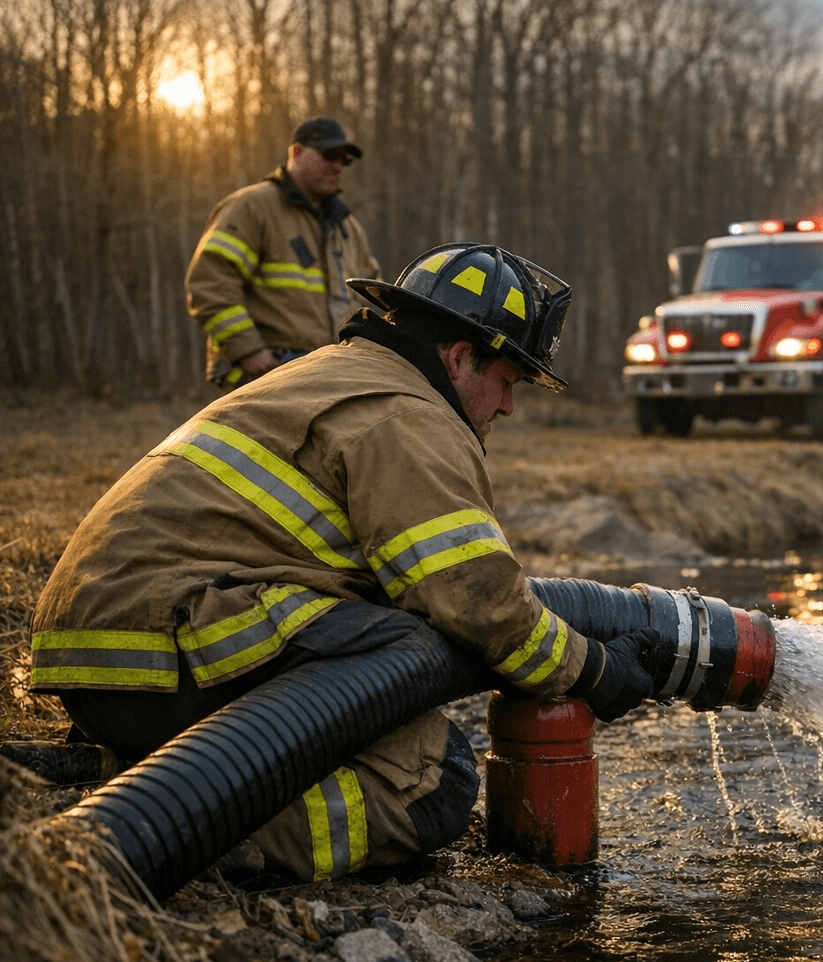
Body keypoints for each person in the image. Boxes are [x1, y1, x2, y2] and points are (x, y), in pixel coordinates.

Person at [31, 243, 661, 882]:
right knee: (431, 776)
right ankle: (204, 836)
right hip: (167, 651)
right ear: (461, 356)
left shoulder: (335, 372)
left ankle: (137, 772)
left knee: (390, 649)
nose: (508, 406)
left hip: (103, 652)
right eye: (508, 381)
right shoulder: (410, 417)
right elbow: (479, 603)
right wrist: (592, 670)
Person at [187, 115, 381, 392]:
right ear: (296, 153)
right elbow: (210, 283)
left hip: (334, 378)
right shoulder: (252, 207)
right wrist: (249, 351)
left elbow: (373, 303)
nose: (338, 166)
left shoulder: (348, 228)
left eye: (345, 159)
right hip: (265, 377)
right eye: (329, 155)